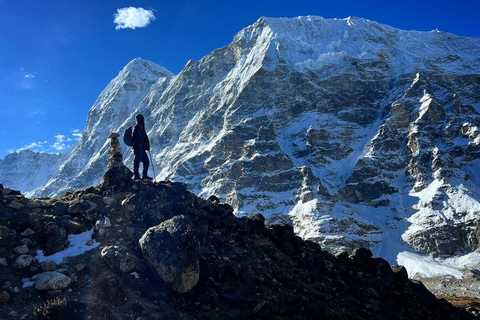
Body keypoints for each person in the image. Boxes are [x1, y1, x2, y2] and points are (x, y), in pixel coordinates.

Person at [132, 114, 153, 180]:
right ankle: (137, 175)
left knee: (145, 161)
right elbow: (136, 135)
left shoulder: (138, 126)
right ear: (142, 119)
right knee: (138, 161)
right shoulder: (138, 126)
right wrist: (139, 143)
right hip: (139, 147)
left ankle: (143, 175)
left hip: (141, 147)